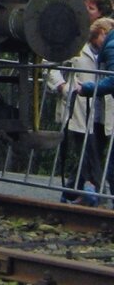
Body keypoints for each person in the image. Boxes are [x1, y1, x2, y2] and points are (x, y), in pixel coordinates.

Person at [51, 18, 114, 202]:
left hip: (104, 113)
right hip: (80, 110)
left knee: (90, 154)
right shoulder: (77, 47)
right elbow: (51, 64)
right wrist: (62, 86)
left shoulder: (108, 50)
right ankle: (96, 194)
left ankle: (71, 193)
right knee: (89, 153)